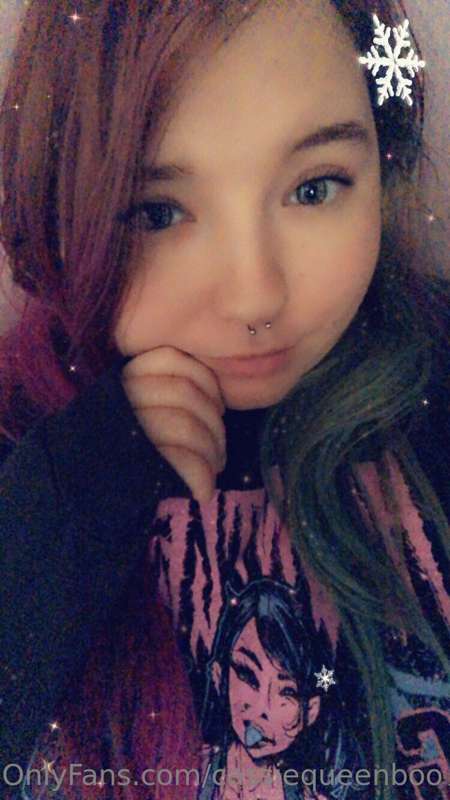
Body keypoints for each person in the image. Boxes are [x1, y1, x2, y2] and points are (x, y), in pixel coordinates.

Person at [0, 0, 448, 799]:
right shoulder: (21, 445)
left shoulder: (433, 379)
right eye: (157, 212)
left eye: (314, 188)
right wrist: (69, 493)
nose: (255, 296)